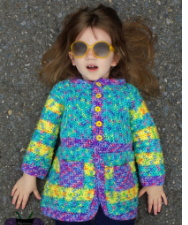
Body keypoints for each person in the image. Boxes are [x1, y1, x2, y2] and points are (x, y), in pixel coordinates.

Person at [11, 4, 168, 225]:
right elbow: (44, 134)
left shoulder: (129, 95)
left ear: (114, 58)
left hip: (119, 193)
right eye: (81, 49)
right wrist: (30, 175)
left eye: (101, 49)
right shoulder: (62, 92)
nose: (91, 55)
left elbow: (146, 137)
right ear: (73, 58)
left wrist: (153, 181)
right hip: (69, 194)